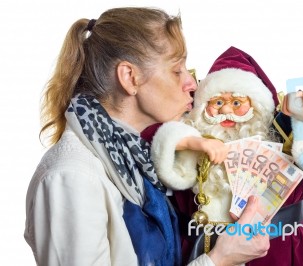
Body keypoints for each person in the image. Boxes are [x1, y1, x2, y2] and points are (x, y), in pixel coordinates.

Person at [24, 8, 270, 266]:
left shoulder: (140, 160)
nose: (192, 84)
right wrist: (219, 259)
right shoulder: (71, 177)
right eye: (177, 70)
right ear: (130, 77)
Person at [149, 46, 303, 265]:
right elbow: (149, 136)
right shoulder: (189, 150)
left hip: (280, 252)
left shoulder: (284, 144)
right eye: (218, 103)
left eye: (237, 103)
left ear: (258, 108)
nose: (227, 111)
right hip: (203, 253)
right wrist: (189, 141)